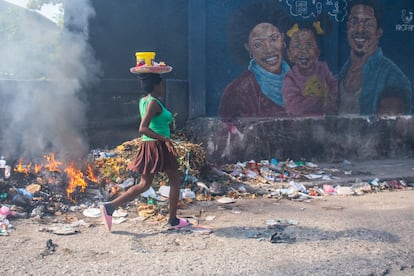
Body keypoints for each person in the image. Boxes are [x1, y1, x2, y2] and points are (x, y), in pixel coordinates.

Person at [100, 72, 189, 232]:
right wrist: (165, 139)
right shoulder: (153, 103)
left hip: (150, 145)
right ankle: (173, 220)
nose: (163, 87)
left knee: (144, 184)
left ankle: (110, 207)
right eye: (161, 84)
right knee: (175, 181)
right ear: (155, 85)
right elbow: (143, 128)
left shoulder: (144, 101)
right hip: (158, 145)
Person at [218, 1, 292, 121]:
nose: (269, 49)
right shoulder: (237, 91)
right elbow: (226, 134)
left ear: (283, 38)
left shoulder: (301, 81)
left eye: (274, 38)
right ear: (248, 48)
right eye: (258, 44)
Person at [338, 0, 412, 115]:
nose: (360, 30)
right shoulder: (336, 78)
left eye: (368, 24)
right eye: (354, 22)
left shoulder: (395, 78)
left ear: (378, 33)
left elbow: (402, 129)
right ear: (348, 27)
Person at [282, 19, 338, 116]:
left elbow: (333, 85)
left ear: (318, 51)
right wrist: (320, 102)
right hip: (301, 125)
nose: (304, 51)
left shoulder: (323, 68)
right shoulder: (290, 78)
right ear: (289, 54)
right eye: (297, 46)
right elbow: (293, 107)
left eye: (309, 45)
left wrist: (332, 98)